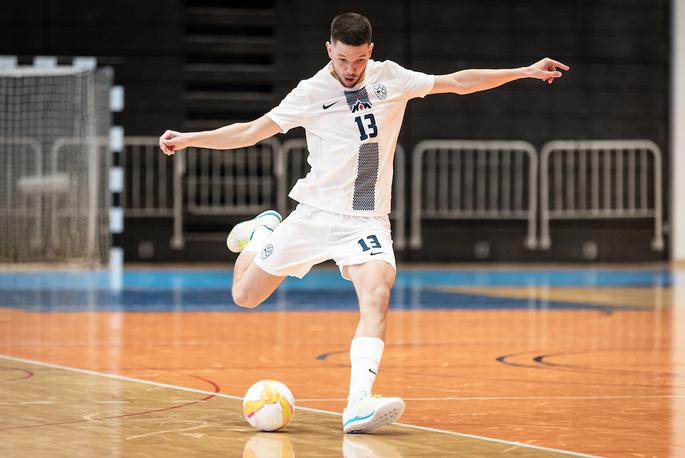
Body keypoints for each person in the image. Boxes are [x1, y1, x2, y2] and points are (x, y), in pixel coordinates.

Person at [159, 12, 568, 434]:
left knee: (377, 293)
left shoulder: (391, 78)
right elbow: (251, 132)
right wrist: (191, 139)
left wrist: (524, 72)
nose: (349, 70)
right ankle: (264, 230)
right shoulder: (311, 91)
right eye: (341, 60)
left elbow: (458, 82)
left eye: (357, 60)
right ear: (328, 50)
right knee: (244, 296)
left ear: (369, 51)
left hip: (366, 220)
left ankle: (357, 404)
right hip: (314, 215)